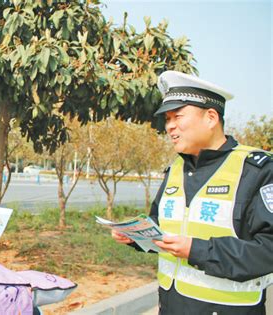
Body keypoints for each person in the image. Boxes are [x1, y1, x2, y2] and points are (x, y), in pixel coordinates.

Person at [112, 71, 273, 314]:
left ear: (210, 117)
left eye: (177, 116)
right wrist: (136, 236)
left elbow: (267, 250)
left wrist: (197, 250)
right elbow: (163, 224)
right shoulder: (175, 169)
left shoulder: (257, 170)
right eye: (167, 119)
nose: (170, 127)